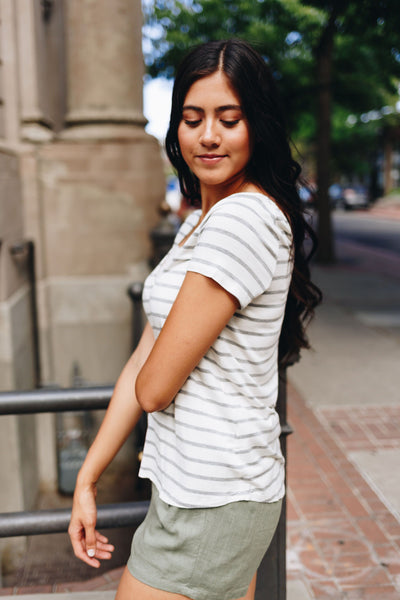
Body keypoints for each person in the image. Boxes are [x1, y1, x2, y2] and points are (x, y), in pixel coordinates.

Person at [69, 38, 322, 600]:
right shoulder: (196, 227)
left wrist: (154, 367)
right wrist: (88, 477)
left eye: (228, 119)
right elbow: (144, 358)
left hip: (215, 495)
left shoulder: (243, 220)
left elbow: (154, 387)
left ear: (256, 126)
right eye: (192, 117)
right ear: (176, 127)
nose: (208, 135)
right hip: (197, 487)